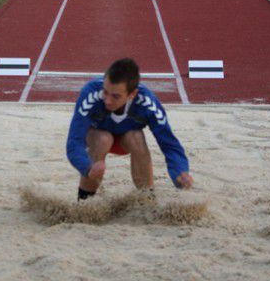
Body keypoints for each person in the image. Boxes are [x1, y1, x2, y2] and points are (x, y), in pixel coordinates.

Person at [67, 58, 193, 201]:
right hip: (97, 137)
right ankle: (84, 202)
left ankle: (147, 200)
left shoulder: (148, 104)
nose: (107, 100)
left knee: (137, 137)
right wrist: (87, 167)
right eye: (105, 92)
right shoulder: (90, 94)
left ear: (132, 94)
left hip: (126, 141)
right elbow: (74, 142)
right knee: (103, 139)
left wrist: (180, 172)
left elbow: (169, 143)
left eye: (116, 96)